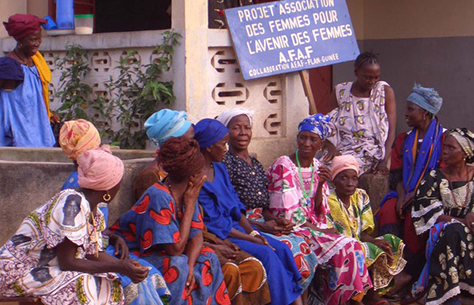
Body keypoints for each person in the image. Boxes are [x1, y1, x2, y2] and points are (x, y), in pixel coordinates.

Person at [135, 111, 270, 304]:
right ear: (174, 141)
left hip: (195, 240)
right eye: (191, 140)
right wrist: (211, 245)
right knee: (228, 269)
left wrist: (212, 242)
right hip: (167, 249)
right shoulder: (153, 180)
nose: (196, 145)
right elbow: (168, 239)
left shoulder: (187, 172)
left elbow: (196, 224)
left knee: (253, 266)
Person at [0, 147, 149, 304]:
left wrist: (124, 266)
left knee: (109, 281)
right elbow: (68, 262)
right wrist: (120, 267)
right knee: (85, 286)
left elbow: (93, 254)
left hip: (44, 270)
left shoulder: (94, 212)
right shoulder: (72, 203)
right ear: (108, 188)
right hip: (16, 271)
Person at [194, 119, 304, 305]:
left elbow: (236, 207)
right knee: (267, 254)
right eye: (223, 144)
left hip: (239, 228)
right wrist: (252, 239)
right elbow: (216, 224)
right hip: (222, 234)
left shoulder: (219, 169)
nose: (226, 149)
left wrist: (253, 232)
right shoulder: (198, 178)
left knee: (283, 248)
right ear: (209, 147)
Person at [266, 114, 372, 305]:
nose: (306, 143)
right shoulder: (284, 165)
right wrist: (320, 230)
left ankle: (345, 299)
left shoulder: (318, 166)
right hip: (291, 227)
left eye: (312, 139)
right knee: (346, 245)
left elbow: (319, 209)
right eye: (302, 137)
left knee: (353, 246)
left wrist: (321, 183)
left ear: (320, 145)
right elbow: (288, 215)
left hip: (312, 226)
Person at [112, 137, 231, 305]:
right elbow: (175, 249)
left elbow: (197, 237)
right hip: (134, 252)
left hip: (166, 252)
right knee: (177, 264)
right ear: (193, 175)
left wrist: (190, 267)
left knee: (208, 257)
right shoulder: (159, 195)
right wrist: (189, 205)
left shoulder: (189, 192)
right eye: (201, 170)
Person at [218, 108, 318, 299]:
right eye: (236, 128)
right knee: (287, 247)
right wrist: (262, 226)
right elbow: (230, 212)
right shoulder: (225, 164)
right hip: (243, 225)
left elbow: (264, 207)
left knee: (302, 243)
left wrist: (276, 221)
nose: (243, 133)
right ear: (226, 132)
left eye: (247, 128)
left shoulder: (255, 163)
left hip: (263, 222)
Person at [377, 84, 444, 281]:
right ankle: (390, 264)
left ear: (424, 112)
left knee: (417, 212)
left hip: (430, 195)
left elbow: (441, 174)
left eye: (410, 109)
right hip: (403, 192)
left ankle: (411, 273)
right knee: (389, 209)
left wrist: (415, 195)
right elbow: (396, 173)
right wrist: (401, 196)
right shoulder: (403, 140)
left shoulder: (443, 139)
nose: (405, 114)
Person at [327, 155, 410, 302]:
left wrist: (374, 241)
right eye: (343, 178)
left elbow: (364, 232)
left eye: (354, 178)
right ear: (334, 180)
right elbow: (332, 236)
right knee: (360, 250)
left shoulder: (361, 196)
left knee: (388, 242)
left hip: (358, 243)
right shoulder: (329, 200)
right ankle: (365, 296)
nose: (350, 183)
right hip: (339, 248)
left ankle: (378, 289)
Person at [411, 128, 474, 305]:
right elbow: (428, 210)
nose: (444, 151)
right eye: (444, 146)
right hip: (446, 232)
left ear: (464, 153)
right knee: (453, 231)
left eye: (451, 148)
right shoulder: (434, 177)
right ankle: (449, 294)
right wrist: (462, 221)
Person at [325, 52, 397, 175]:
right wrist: (331, 147)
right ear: (356, 72)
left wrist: (384, 161)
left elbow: (391, 130)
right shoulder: (341, 91)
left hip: (370, 152)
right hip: (341, 148)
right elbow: (328, 124)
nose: (372, 81)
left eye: (376, 77)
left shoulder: (384, 92)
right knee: (320, 170)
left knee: (343, 171)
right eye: (367, 77)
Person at [1, 14, 59, 147]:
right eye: (33, 39)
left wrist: (48, 114)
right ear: (20, 40)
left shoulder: (36, 62)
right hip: (18, 133)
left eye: (39, 39)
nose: (37, 43)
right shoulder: (8, 67)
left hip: (39, 129)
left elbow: (36, 99)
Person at [132, 109, 194, 201]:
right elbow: (153, 212)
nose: (194, 145)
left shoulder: (181, 167)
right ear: (172, 143)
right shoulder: (150, 177)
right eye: (189, 142)